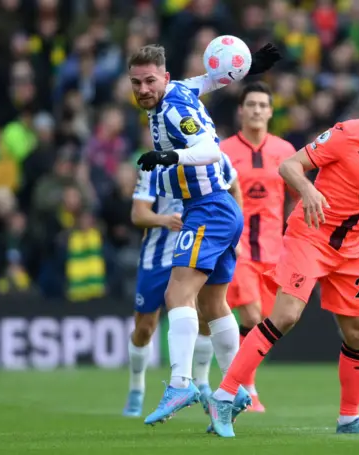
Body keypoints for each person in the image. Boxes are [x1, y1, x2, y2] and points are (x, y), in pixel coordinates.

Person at [207, 79, 359, 437]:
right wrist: (307, 189)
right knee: (285, 316)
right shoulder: (345, 133)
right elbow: (289, 165)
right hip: (311, 234)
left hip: (350, 248)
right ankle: (223, 396)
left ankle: (349, 418)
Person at [127, 43, 281, 426]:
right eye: (136, 82)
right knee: (214, 305)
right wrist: (248, 69)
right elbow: (207, 80)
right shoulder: (179, 89)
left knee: (177, 293)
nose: (143, 89)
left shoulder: (174, 108)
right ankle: (235, 388)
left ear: (163, 78)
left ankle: (181, 384)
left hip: (207, 208)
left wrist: (168, 157)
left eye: (149, 81)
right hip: (223, 209)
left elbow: (209, 150)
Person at [123, 152, 241, 418]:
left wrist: (236, 232)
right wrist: (165, 220)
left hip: (200, 247)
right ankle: (136, 386)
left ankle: (200, 382)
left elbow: (234, 187)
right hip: (158, 256)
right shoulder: (154, 165)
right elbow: (138, 213)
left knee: (206, 314)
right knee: (144, 328)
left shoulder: (216, 156)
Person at [215, 81, 296, 412]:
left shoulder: (285, 150)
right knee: (249, 312)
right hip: (239, 248)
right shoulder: (224, 152)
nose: (257, 110)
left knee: (262, 321)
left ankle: (227, 383)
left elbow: (298, 196)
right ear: (241, 110)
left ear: (271, 111)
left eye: (263, 105)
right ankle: (246, 387)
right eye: (251, 104)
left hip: (274, 251)